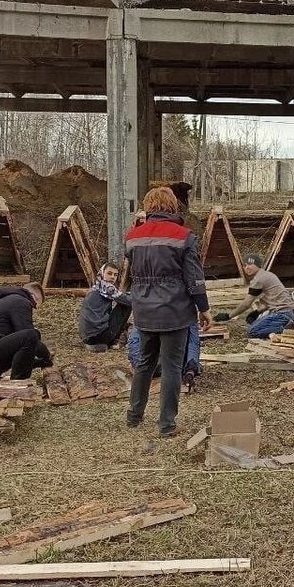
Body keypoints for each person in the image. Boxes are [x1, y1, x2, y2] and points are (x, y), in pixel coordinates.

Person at [125, 186, 211, 436]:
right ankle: (166, 424)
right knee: (173, 367)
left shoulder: (132, 237)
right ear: (172, 206)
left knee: (144, 363)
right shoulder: (184, 236)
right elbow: (194, 278)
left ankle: (134, 415)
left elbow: (132, 270)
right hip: (175, 311)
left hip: (143, 310)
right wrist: (203, 308)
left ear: (148, 207)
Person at [214, 254, 294, 339]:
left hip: (282, 314)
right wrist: (257, 312)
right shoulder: (268, 275)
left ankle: (287, 330)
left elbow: (246, 304)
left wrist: (229, 316)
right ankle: (285, 326)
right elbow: (273, 300)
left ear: (258, 265)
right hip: (289, 312)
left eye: (250, 264)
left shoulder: (259, 279)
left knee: (252, 332)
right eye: (245, 265)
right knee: (255, 326)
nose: (247, 268)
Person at [79, 261, 132, 352]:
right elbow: (129, 301)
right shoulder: (107, 287)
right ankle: (116, 339)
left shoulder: (96, 287)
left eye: (115, 275)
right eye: (109, 273)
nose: (112, 277)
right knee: (126, 305)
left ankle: (115, 336)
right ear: (102, 273)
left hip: (86, 337)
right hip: (98, 336)